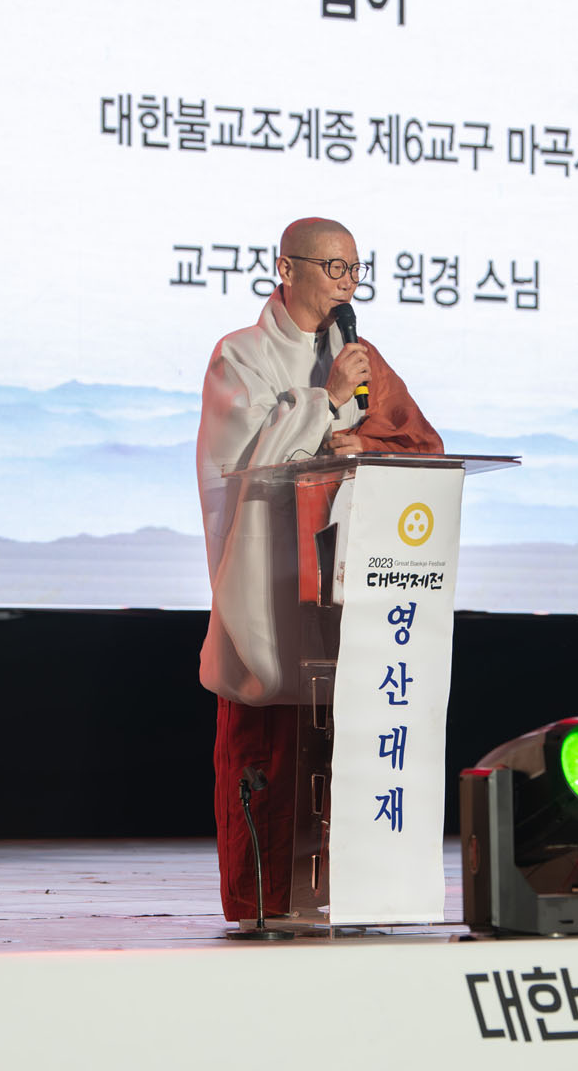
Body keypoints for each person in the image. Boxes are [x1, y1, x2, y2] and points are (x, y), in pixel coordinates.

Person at [196, 217, 443, 921]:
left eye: (355, 269)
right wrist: (326, 401)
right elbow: (244, 467)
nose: (348, 283)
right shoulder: (239, 356)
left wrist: (360, 442)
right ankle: (264, 900)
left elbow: (421, 445)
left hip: (348, 583)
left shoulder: (360, 356)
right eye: (335, 268)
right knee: (269, 749)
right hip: (271, 580)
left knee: (343, 751)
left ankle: (345, 895)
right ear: (287, 268)